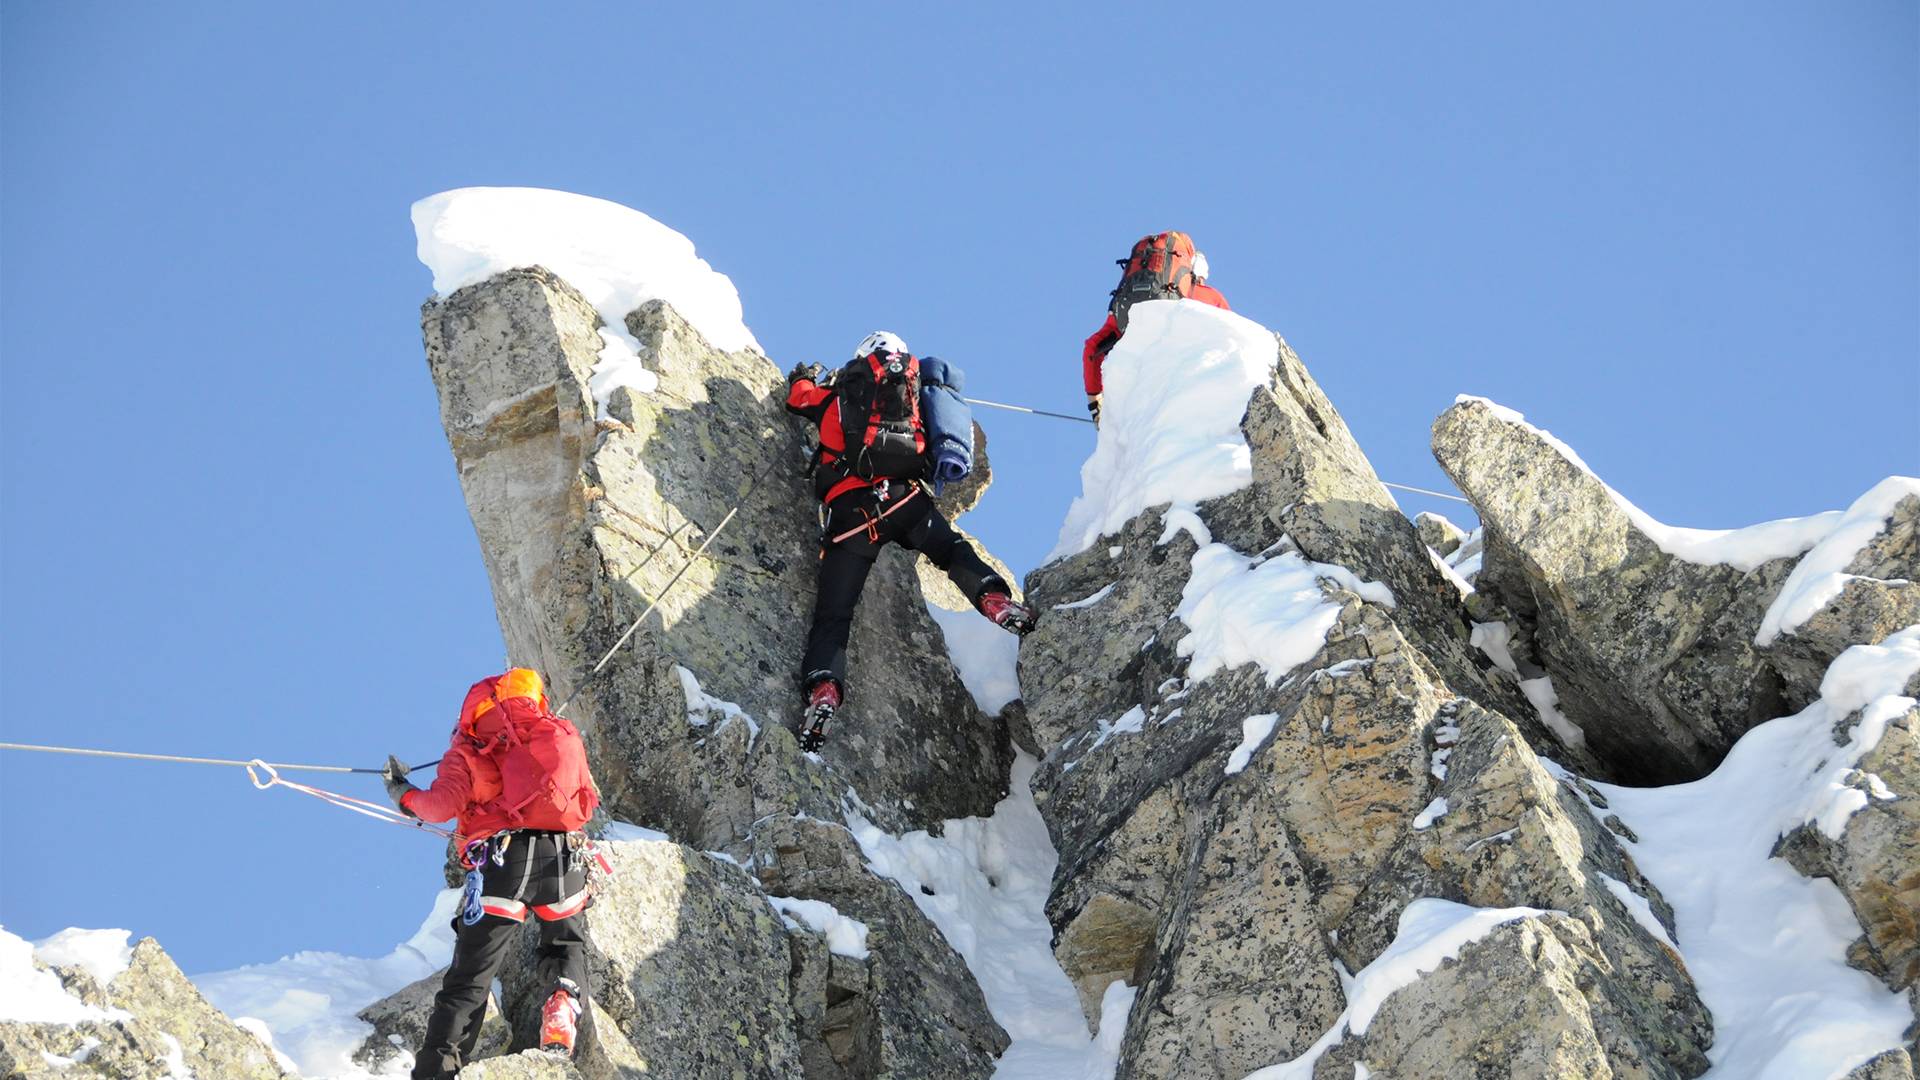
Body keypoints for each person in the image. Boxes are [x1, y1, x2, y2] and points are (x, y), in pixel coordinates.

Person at [785, 330, 1038, 750]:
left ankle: (824, 689)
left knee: (835, 615)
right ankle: (993, 599)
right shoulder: (917, 395)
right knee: (951, 550)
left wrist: (806, 375)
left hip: (852, 518)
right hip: (907, 501)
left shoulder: (839, 394)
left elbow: (798, 399)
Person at [383, 668, 604, 1078]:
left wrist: (402, 793)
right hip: (563, 859)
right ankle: (562, 996)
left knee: (469, 980)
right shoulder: (557, 733)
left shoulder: (468, 750)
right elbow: (586, 800)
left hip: (502, 864)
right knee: (565, 945)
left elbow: (438, 807)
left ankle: (438, 1069)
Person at [1082, 239, 1231, 425]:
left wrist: (1095, 404)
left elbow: (1092, 348)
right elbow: (1233, 340)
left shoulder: (1127, 303)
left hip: (1139, 393)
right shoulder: (1206, 296)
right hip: (1182, 392)